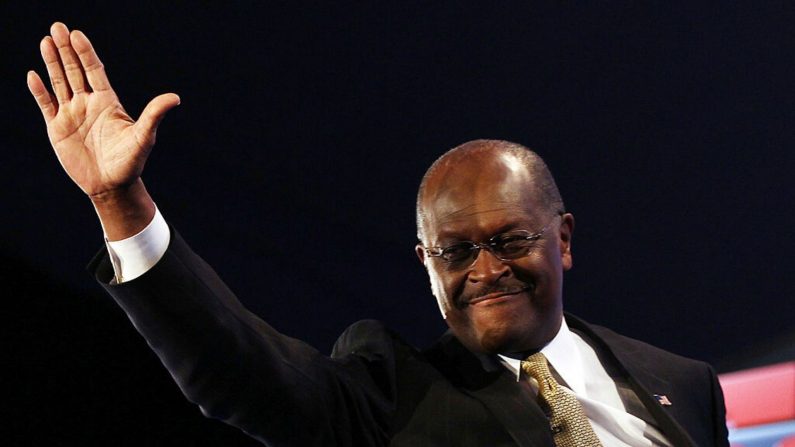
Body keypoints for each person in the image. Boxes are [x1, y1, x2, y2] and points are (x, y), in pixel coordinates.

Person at [28, 22, 729, 446]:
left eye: (510, 240)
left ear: (563, 238)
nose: (485, 269)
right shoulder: (392, 395)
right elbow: (239, 368)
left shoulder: (684, 382)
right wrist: (119, 202)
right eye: (455, 251)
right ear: (426, 264)